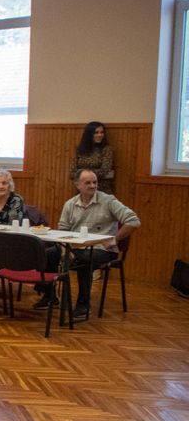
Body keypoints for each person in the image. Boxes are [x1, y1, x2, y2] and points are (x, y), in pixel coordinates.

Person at [46, 169, 140, 321]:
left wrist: (115, 239)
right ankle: (50, 296)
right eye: (88, 182)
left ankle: (83, 305)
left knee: (85, 259)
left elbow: (133, 220)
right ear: (78, 185)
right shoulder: (70, 204)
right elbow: (62, 230)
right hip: (75, 247)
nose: (92, 185)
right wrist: (64, 249)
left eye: (95, 182)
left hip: (102, 249)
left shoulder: (108, 201)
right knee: (49, 254)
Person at [70, 121, 114, 194]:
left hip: (101, 189)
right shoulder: (80, 149)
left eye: (102, 132)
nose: (100, 135)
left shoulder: (106, 149)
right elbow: (72, 172)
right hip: (82, 189)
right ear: (89, 134)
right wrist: (86, 176)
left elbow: (104, 170)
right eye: (96, 133)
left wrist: (82, 174)